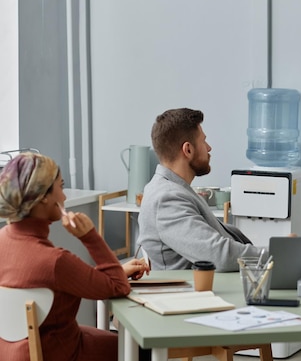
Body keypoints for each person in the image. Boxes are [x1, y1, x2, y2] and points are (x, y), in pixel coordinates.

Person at [0, 152, 150, 361]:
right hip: (61, 353)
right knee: (143, 349)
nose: (64, 197)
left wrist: (111, 274)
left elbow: (49, 278)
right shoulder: (55, 261)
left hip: (9, 353)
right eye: (60, 187)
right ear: (43, 197)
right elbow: (119, 287)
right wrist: (90, 236)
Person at [137, 107, 265, 272]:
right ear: (188, 150)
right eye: (203, 141)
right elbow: (219, 255)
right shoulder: (166, 198)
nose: (209, 148)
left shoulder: (175, 188)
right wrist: (275, 254)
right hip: (188, 294)